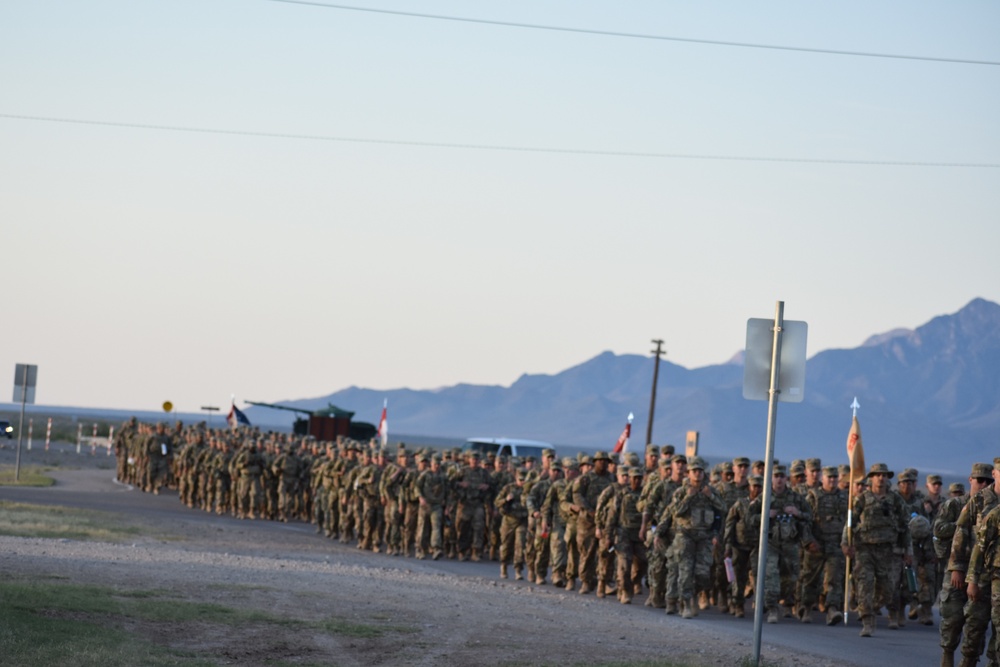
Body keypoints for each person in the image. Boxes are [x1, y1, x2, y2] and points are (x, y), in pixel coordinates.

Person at [842, 462, 912, 637]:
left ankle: (870, 608)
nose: (881, 478)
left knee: (888, 590)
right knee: (864, 584)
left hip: (887, 550)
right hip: (865, 549)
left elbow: (905, 525)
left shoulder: (895, 500)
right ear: (871, 478)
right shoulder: (862, 499)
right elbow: (850, 522)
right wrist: (846, 543)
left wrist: (907, 550)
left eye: (884, 475)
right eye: (877, 475)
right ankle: (867, 621)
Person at [751, 464, 814, 624]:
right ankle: (772, 609)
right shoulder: (764, 498)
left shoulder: (795, 497)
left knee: (791, 579)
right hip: (771, 544)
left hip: (790, 544)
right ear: (771, 478)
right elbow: (749, 518)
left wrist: (797, 513)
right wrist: (764, 515)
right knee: (771, 576)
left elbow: (810, 516)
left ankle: (786, 601)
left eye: (781, 476)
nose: (779, 479)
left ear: (786, 478)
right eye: (776, 476)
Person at [665, 456, 725, 619]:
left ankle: (693, 595)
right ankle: (685, 604)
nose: (697, 474)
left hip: (704, 537)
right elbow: (676, 512)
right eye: (694, 471)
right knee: (685, 572)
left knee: (703, 574)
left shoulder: (711, 491)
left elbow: (723, 508)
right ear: (689, 473)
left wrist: (710, 497)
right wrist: (689, 497)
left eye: (700, 471)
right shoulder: (681, 491)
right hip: (685, 536)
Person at [801, 466, 849, 625]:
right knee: (810, 579)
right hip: (816, 545)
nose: (832, 480)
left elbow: (850, 522)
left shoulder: (845, 498)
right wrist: (808, 541)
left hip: (836, 545)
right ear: (823, 478)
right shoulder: (813, 497)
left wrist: (848, 541)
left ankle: (832, 608)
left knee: (834, 578)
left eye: (835, 477)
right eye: (829, 477)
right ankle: (806, 608)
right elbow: (805, 521)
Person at [573, 451, 614, 594]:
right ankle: (586, 581)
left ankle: (604, 582)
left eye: (605, 461)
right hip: (587, 522)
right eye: (600, 460)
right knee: (587, 552)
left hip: (605, 522)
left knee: (605, 553)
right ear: (594, 462)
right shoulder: (586, 478)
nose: (603, 463)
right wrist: (588, 509)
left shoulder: (612, 479)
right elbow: (577, 494)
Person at [724, 473, 763, 618]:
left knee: (759, 576)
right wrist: (728, 545)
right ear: (749, 488)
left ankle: (759, 605)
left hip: (757, 547)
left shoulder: (765, 505)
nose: (757, 490)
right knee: (738, 577)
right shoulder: (740, 504)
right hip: (740, 546)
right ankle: (738, 604)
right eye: (754, 486)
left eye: (760, 487)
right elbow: (730, 525)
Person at [495, 469, 529, 579]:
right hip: (509, 520)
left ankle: (518, 569)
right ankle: (504, 566)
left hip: (522, 520)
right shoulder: (508, 488)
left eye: (525, 480)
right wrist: (506, 499)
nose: (523, 482)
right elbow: (497, 502)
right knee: (506, 545)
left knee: (520, 544)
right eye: (521, 480)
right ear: (516, 478)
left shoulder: (529, 489)